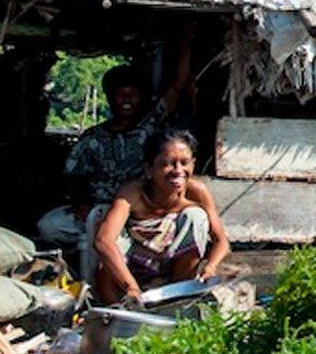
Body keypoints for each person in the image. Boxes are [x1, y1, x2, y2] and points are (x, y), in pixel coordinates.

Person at [38, 41, 193, 269]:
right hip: (97, 209)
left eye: (132, 94)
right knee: (49, 225)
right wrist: (80, 202)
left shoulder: (150, 126)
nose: (126, 100)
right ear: (110, 98)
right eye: (120, 94)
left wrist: (186, 40)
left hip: (138, 211)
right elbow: (73, 174)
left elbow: (177, 86)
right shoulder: (93, 137)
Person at [91, 129, 231, 304]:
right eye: (168, 164)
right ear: (149, 169)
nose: (178, 170)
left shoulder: (197, 192)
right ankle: (115, 311)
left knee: (196, 217)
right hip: (130, 273)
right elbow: (103, 240)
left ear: (193, 164)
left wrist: (210, 268)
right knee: (112, 246)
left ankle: (175, 302)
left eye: (185, 163)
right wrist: (131, 287)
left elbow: (221, 242)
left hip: (173, 272)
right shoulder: (132, 193)